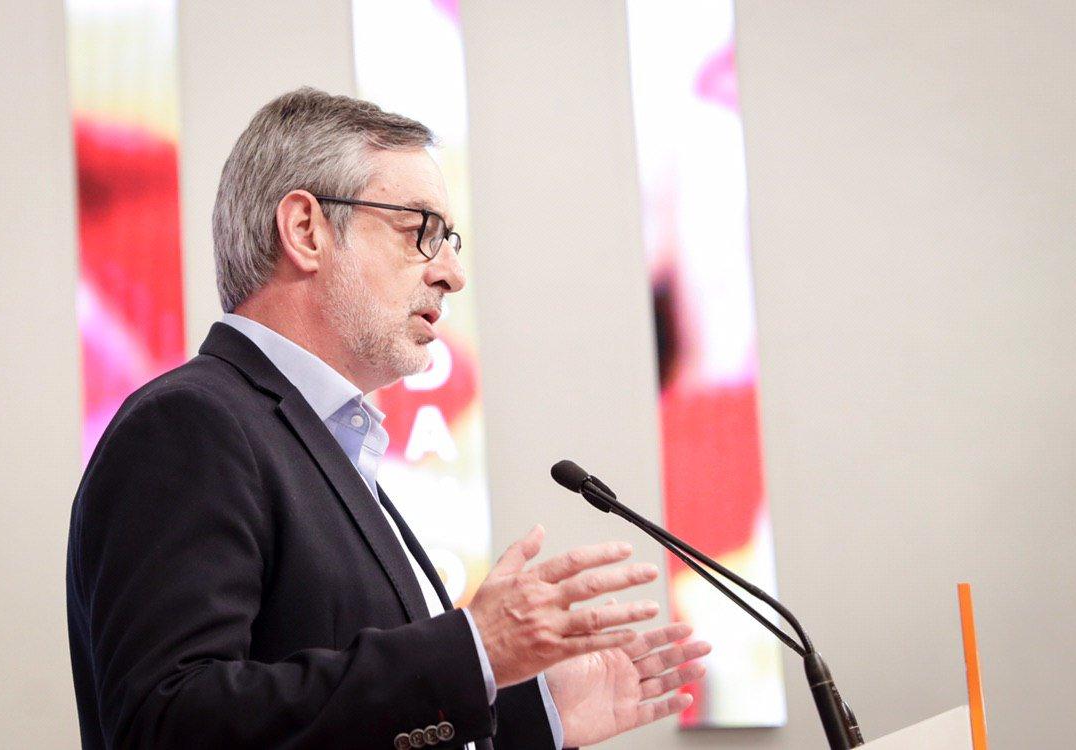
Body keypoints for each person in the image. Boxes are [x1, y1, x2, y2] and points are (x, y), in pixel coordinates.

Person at [66, 87, 710, 749]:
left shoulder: (324, 440)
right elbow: (167, 725)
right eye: (421, 232)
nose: (453, 274)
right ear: (306, 231)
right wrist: (471, 652)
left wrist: (530, 718)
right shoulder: (191, 426)